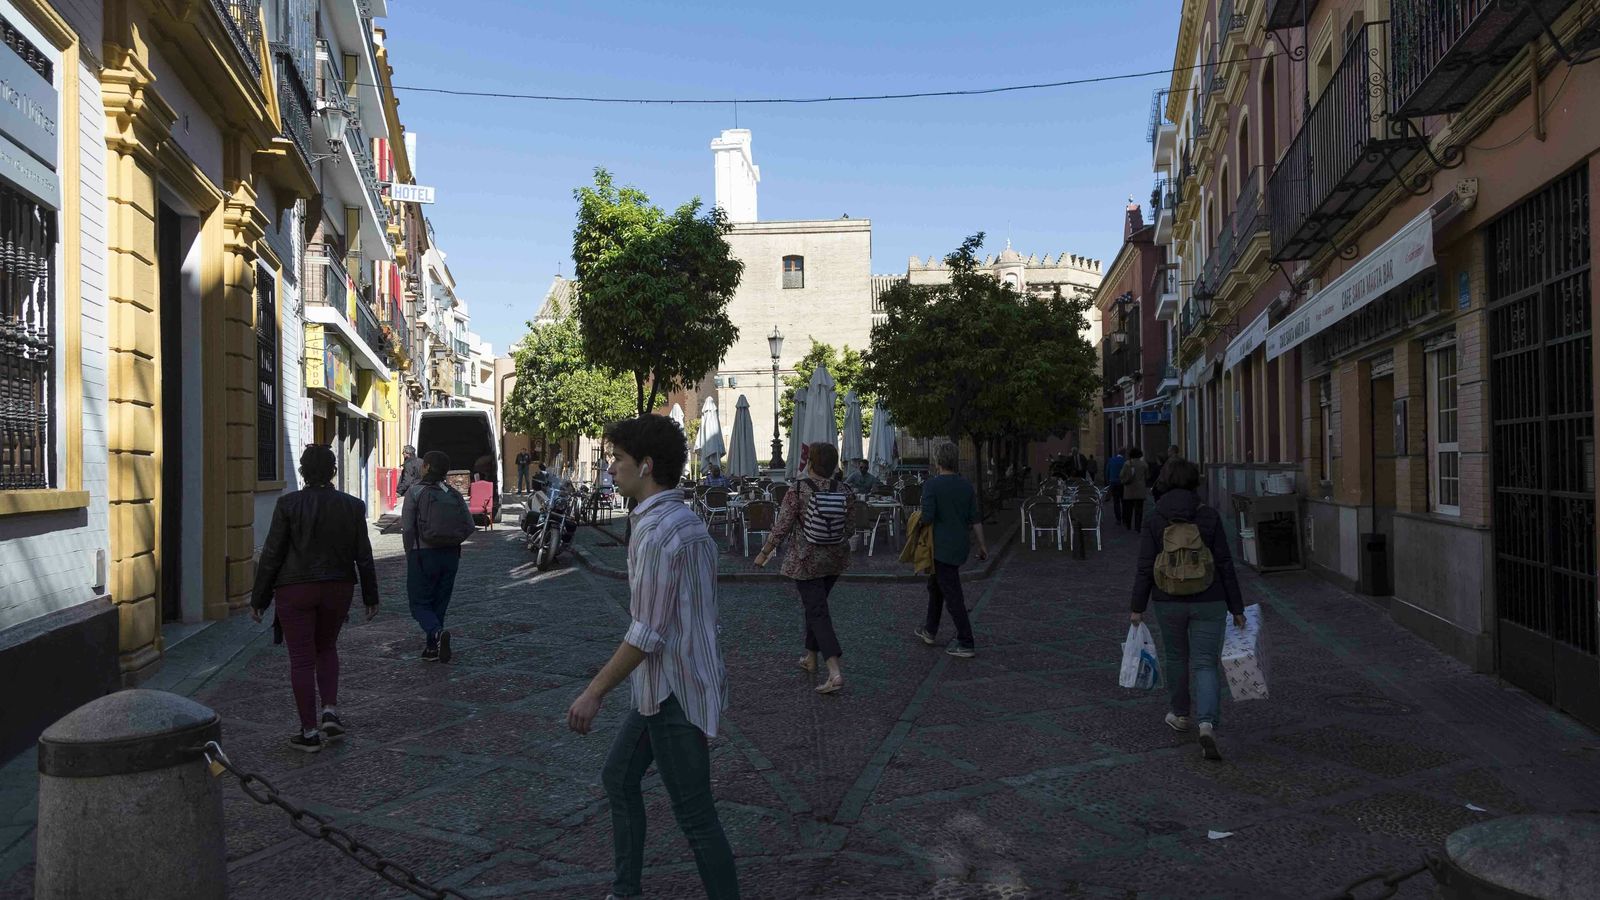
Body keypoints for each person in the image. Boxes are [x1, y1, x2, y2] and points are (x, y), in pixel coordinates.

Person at [566, 414, 739, 900]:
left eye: (618, 458)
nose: (611, 466)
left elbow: (647, 632)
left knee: (696, 818)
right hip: (665, 688)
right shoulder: (678, 521)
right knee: (618, 778)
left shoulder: (661, 531)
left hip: (675, 693)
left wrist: (593, 692)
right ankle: (625, 890)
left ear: (644, 466)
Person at [250, 445, 380, 752]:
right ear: (334, 471)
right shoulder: (352, 506)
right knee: (327, 647)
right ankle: (330, 710)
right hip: (338, 587)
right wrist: (371, 595)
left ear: (302, 472)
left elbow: (272, 554)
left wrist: (259, 599)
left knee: (302, 659)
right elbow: (364, 554)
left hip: (294, 589)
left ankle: (308, 732)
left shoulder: (287, 505)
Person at [1129, 457, 1245, 760]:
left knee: (1177, 658)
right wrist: (1237, 608)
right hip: (1210, 598)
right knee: (1206, 662)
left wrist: (1136, 607)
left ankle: (1180, 715)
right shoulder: (1208, 516)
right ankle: (1207, 723)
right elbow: (1224, 564)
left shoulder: (1155, 518)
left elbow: (1144, 567)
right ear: (1195, 481)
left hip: (1168, 600)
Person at [754, 441, 855, 695]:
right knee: (816, 606)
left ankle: (834, 671)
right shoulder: (845, 490)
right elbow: (850, 528)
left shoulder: (799, 489)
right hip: (834, 561)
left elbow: (782, 526)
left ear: (811, 462)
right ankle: (811, 657)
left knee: (818, 611)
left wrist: (764, 553)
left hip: (806, 561)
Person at [913, 443, 988, 658]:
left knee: (952, 594)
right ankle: (930, 630)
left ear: (938, 461)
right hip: (959, 546)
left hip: (940, 547)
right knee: (935, 587)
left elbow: (927, 517)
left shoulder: (932, 486)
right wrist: (983, 546)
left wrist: (914, 525)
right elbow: (975, 518)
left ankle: (966, 641)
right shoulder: (966, 486)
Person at [402, 450, 464, 662]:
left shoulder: (415, 492)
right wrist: (454, 539)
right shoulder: (453, 493)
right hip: (451, 555)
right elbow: (470, 525)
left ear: (426, 467)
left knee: (418, 603)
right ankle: (431, 648)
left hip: (423, 554)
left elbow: (408, 528)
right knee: (440, 602)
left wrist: (409, 552)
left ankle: (436, 633)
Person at [1062, 463, 1099, 560]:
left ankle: (1066, 534)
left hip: (1076, 516)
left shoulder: (1067, 483)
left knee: (1071, 513)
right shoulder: (1086, 486)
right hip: (1090, 517)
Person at [1120, 446, 1150, 532]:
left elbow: (1121, 475)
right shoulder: (1144, 464)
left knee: (1128, 509)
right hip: (1140, 489)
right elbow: (1147, 476)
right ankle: (1138, 526)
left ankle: (1128, 525)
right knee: (1139, 510)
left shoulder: (1127, 464)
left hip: (1129, 489)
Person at [1107, 448, 1127, 525]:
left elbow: (1107, 471)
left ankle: (1118, 519)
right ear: (1124, 453)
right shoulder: (1125, 461)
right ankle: (1125, 518)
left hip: (1113, 482)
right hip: (1122, 483)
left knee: (1116, 501)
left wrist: (1108, 481)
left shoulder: (1111, 460)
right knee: (1124, 501)